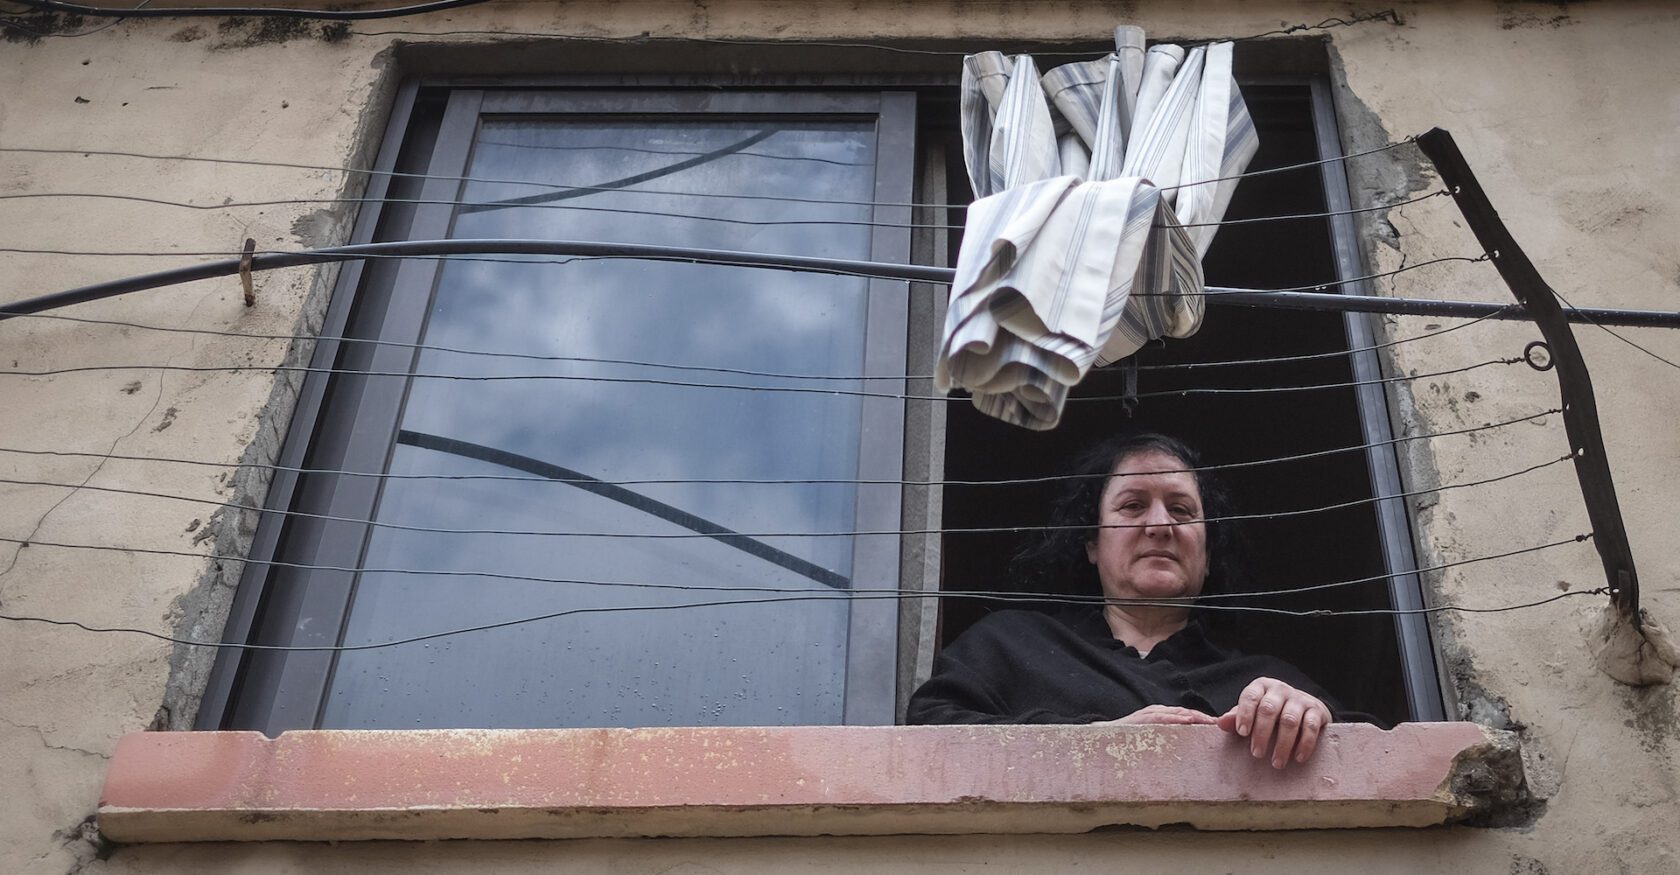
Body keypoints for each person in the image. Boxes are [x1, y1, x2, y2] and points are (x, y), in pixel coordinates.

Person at [907, 432, 1362, 769]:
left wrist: (1311, 716)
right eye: (1132, 506)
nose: (1160, 526)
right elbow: (928, 733)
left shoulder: (1265, 679)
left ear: (1206, 556)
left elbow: (1373, 749)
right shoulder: (1008, 644)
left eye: (1182, 510)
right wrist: (1094, 742)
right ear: (1091, 543)